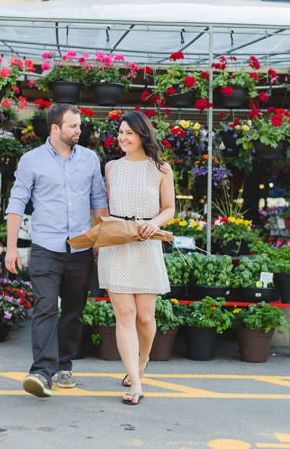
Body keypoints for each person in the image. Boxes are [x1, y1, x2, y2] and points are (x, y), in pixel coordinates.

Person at [6, 103, 109, 398]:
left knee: (73, 312)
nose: (79, 130)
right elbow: (16, 205)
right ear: (55, 128)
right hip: (45, 248)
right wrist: (11, 248)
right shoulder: (31, 160)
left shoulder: (89, 159)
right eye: (73, 126)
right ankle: (41, 371)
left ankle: (64, 364)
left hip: (80, 249)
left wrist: (99, 241)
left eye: (79, 125)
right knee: (46, 308)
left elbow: (98, 202)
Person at [99, 111, 174, 406]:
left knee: (145, 317)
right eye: (120, 132)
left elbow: (169, 208)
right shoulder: (111, 168)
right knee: (125, 315)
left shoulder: (161, 169)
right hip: (116, 244)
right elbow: (104, 206)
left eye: (129, 133)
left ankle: (141, 365)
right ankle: (136, 383)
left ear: (143, 135)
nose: (123, 138)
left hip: (146, 243)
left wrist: (155, 222)